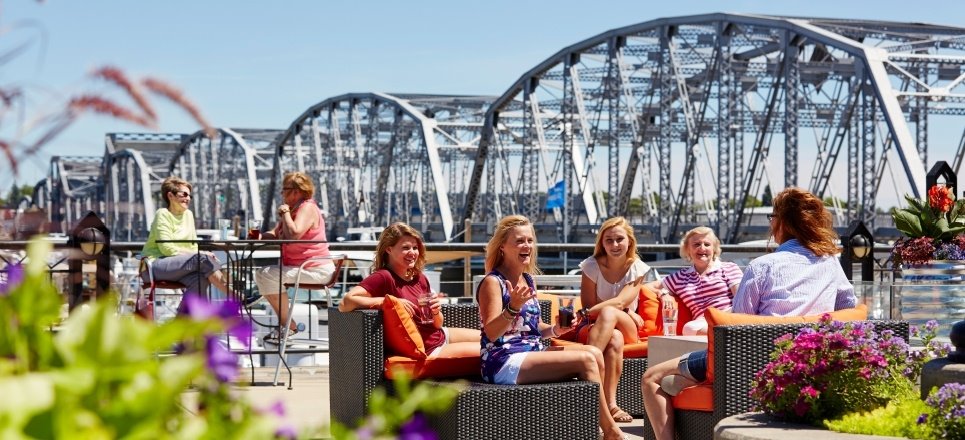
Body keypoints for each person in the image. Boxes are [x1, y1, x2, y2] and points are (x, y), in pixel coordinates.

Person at [641, 187, 857, 440]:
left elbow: (734, 330)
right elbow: (848, 307)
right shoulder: (829, 262)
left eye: (772, 218)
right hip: (806, 361)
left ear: (781, 223)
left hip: (750, 363)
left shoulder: (762, 266)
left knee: (651, 378)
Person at [476, 215, 627, 440]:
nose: (526, 246)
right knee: (586, 359)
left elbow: (533, 327)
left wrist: (556, 330)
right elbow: (491, 332)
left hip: (531, 351)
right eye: (519, 241)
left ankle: (596, 421)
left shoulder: (527, 279)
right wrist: (513, 307)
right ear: (503, 247)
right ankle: (610, 431)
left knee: (594, 353)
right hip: (503, 360)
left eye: (529, 240)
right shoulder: (493, 282)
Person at [339, 222, 479, 358]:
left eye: (415, 247)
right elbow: (345, 303)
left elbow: (437, 324)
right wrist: (389, 301)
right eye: (405, 248)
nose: (412, 253)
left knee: (495, 339)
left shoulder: (419, 277)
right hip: (430, 348)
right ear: (389, 249)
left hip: (440, 334)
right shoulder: (383, 277)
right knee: (491, 350)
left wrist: (435, 311)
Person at [566, 216, 656, 423]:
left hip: (627, 328)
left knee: (609, 313)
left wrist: (622, 310)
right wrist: (620, 308)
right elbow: (589, 307)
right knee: (614, 338)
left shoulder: (637, 267)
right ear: (601, 243)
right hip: (594, 326)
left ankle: (585, 370)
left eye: (619, 239)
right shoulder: (591, 266)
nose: (615, 245)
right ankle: (609, 406)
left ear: (629, 242)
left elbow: (616, 304)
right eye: (609, 240)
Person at [254, 171, 335, 344]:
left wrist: (284, 213)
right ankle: (287, 324)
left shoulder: (307, 207)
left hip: (316, 269)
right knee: (262, 274)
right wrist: (259, 236)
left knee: (267, 274)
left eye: (284, 190)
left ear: (296, 191)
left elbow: (294, 234)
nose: (281, 194)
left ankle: (288, 325)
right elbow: (276, 234)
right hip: (302, 268)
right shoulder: (293, 210)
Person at [140, 176, 231, 300]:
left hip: (178, 267)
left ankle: (185, 317)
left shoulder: (188, 215)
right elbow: (167, 249)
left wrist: (200, 254)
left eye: (189, 196)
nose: (188, 198)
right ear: (170, 196)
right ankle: (237, 297)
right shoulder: (163, 214)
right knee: (203, 258)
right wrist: (202, 254)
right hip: (154, 265)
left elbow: (192, 246)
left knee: (200, 280)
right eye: (184, 194)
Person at [646, 226, 743, 336]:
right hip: (703, 324)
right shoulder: (680, 277)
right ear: (688, 249)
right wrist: (664, 294)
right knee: (689, 328)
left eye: (707, 244)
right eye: (696, 244)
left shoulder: (728, 268)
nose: (702, 248)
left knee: (689, 329)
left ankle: (730, 337)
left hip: (728, 316)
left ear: (714, 248)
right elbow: (648, 287)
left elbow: (742, 301)